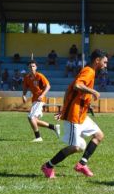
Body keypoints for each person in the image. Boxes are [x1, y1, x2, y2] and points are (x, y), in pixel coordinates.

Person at [41, 49, 108, 179]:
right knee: (76, 147)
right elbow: (77, 85)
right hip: (74, 116)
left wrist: (65, 108)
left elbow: (68, 90)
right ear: (97, 60)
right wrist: (93, 92)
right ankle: (48, 166)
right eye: (104, 62)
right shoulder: (88, 71)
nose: (105, 65)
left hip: (81, 115)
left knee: (98, 135)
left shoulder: (90, 71)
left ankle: (82, 164)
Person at [22, 60, 60, 142]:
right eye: (30, 66)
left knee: (31, 117)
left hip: (40, 99)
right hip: (34, 100)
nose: (32, 67)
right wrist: (24, 95)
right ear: (28, 68)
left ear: (36, 67)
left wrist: (42, 95)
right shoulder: (27, 77)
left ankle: (38, 137)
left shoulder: (39, 76)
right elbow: (25, 87)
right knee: (34, 120)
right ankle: (53, 127)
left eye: (33, 66)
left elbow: (48, 86)